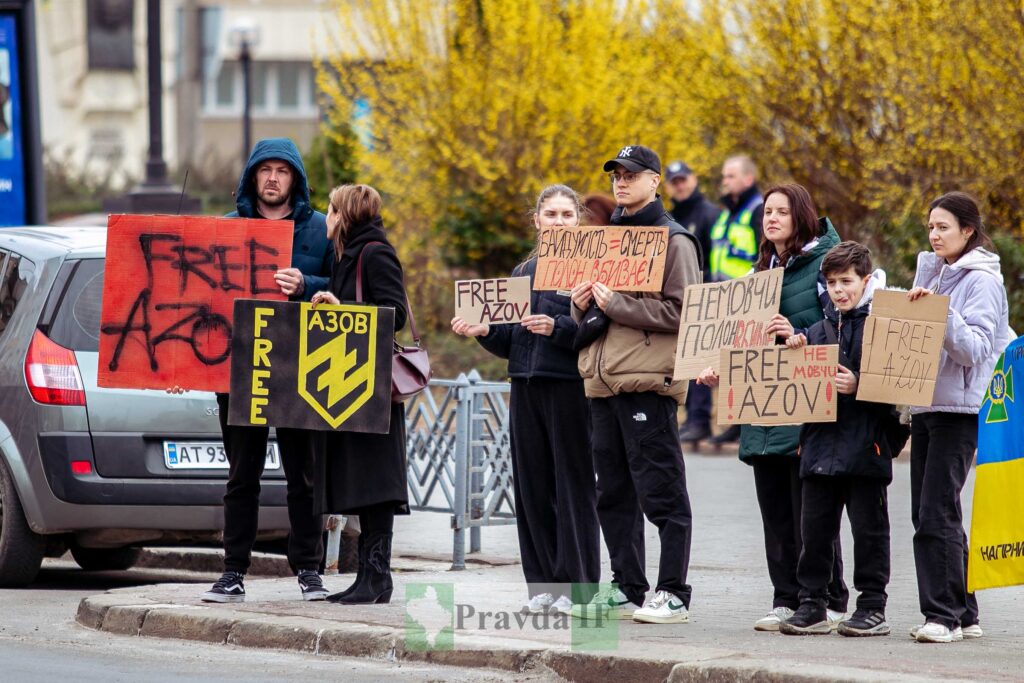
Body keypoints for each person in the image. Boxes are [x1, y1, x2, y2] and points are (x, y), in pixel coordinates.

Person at [697, 183, 849, 631]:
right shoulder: (760, 271)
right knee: (775, 511)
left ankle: (826, 598)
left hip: (806, 403)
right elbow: (739, 339)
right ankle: (786, 597)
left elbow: (844, 321)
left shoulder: (828, 263)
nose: (772, 218)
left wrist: (796, 326)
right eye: (767, 211)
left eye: (781, 211)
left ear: (801, 215)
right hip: (762, 407)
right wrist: (716, 367)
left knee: (811, 513)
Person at [451, 185, 600, 615]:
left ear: (579, 221)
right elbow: (509, 339)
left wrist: (556, 328)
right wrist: (483, 332)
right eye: (550, 214)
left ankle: (580, 590)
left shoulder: (590, 271)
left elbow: (598, 332)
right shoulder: (522, 271)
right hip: (525, 386)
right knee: (533, 488)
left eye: (566, 215)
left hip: (570, 386)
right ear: (536, 220)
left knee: (572, 489)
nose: (558, 222)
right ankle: (543, 586)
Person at [569, 145, 702, 624]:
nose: (620, 183)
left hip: (647, 382)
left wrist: (615, 304)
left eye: (631, 175)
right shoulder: (605, 239)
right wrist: (581, 304)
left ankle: (674, 593)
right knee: (613, 494)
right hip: (603, 384)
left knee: (661, 492)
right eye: (615, 176)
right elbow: (590, 314)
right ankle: (627, 586)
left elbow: (684, 312)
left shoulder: (675, 241)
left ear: (655, 181)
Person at [199, 138, 334, 603]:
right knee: (241, 475)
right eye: (265, 170)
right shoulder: (227, 230)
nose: (273, 178)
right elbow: (200, 298)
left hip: (302, 368)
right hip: (240, 368)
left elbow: (345, 286)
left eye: (282, 170)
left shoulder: (320, 230)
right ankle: (233, 570)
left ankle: (310, 571)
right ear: (252, 176)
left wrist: (307, 283)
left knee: (305, 476)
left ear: (295, 178)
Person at [905, 192, 1011, 643]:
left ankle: (942, 616)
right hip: (927, 405)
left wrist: (939, 313)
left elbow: (974, 350)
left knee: (935, 514)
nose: (934, 234)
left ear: (968, 231)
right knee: (930, 513)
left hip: (960, 410)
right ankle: (966, 614)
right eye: (930, 226)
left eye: (943, 227)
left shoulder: (982, 281)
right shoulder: (935, 273)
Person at [778, 242, 894, 637]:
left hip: (866, 450)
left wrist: (858, 385)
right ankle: (812, 604)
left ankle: (872, 606)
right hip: (817, 450)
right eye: (831, 283)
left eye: (846, 281)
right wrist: (794, 344)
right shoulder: (816, 329)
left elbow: (898, 390)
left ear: (866, 280)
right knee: (814, 533)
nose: (839, 290)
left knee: (869, 532)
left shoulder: (883, 326)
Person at [310, 184, 410, 605]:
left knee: (376, 483)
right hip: (351, 383)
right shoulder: (347, 255)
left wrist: (343, 309)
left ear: (344, 215)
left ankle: (378, 578)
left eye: (331, 210)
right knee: (363, 482)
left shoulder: (375, 253)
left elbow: (396, 313)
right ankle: (368, 578)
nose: (326, 217)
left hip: (374, 388)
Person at [707, 154, 764, 445]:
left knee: (743, 361)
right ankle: (734, 421)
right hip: (724, 297)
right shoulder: (727, 212)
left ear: (748, 179)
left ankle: (742, 422)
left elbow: (763, 255)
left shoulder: (757, 210)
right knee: (728, 361)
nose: (725, 181)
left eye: (730, 176)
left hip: (748, 296)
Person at [664, 160, 719, 446]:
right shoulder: (670, 218)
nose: (680, 185)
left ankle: (699, 420)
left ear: (694, 179)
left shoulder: (710, 214)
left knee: (700, 360)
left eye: (683, 179)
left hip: (706, 296)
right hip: (679, 298)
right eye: (674, 182)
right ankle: (691, 418)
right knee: (682, 359)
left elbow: (716, 258)